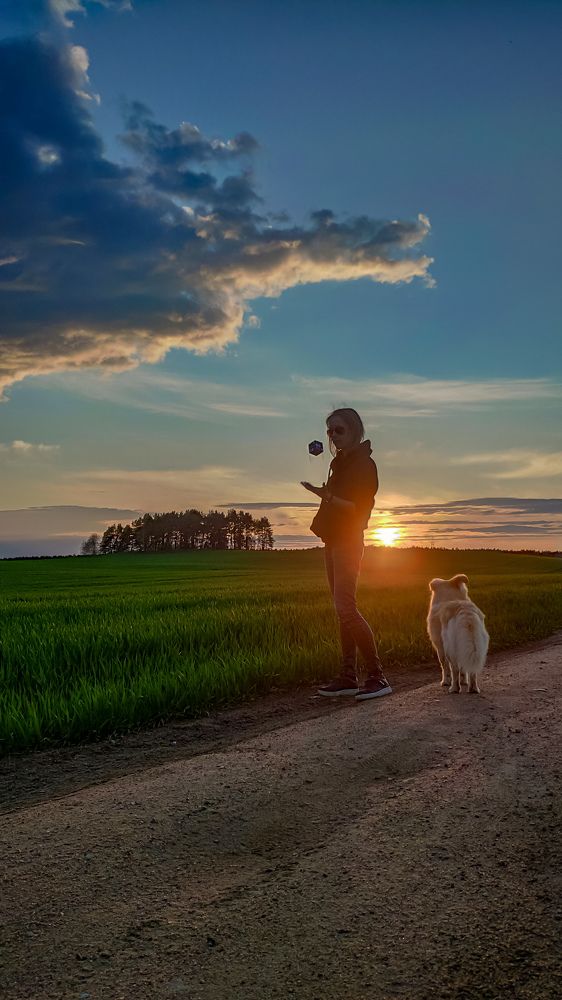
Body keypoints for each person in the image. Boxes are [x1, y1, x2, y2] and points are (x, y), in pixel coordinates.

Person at [300, 407, 392, 701]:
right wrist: (325, 493)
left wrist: (324, 495)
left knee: (347, 608)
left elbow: (356, 508)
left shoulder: (364, 465)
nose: (333, 436)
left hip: (349, 541)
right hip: (333, 539)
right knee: (342, 611)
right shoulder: (341, 463)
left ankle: (377, 676)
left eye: (339, 430)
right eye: (329, 431)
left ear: (355, 430)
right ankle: (348, 676)